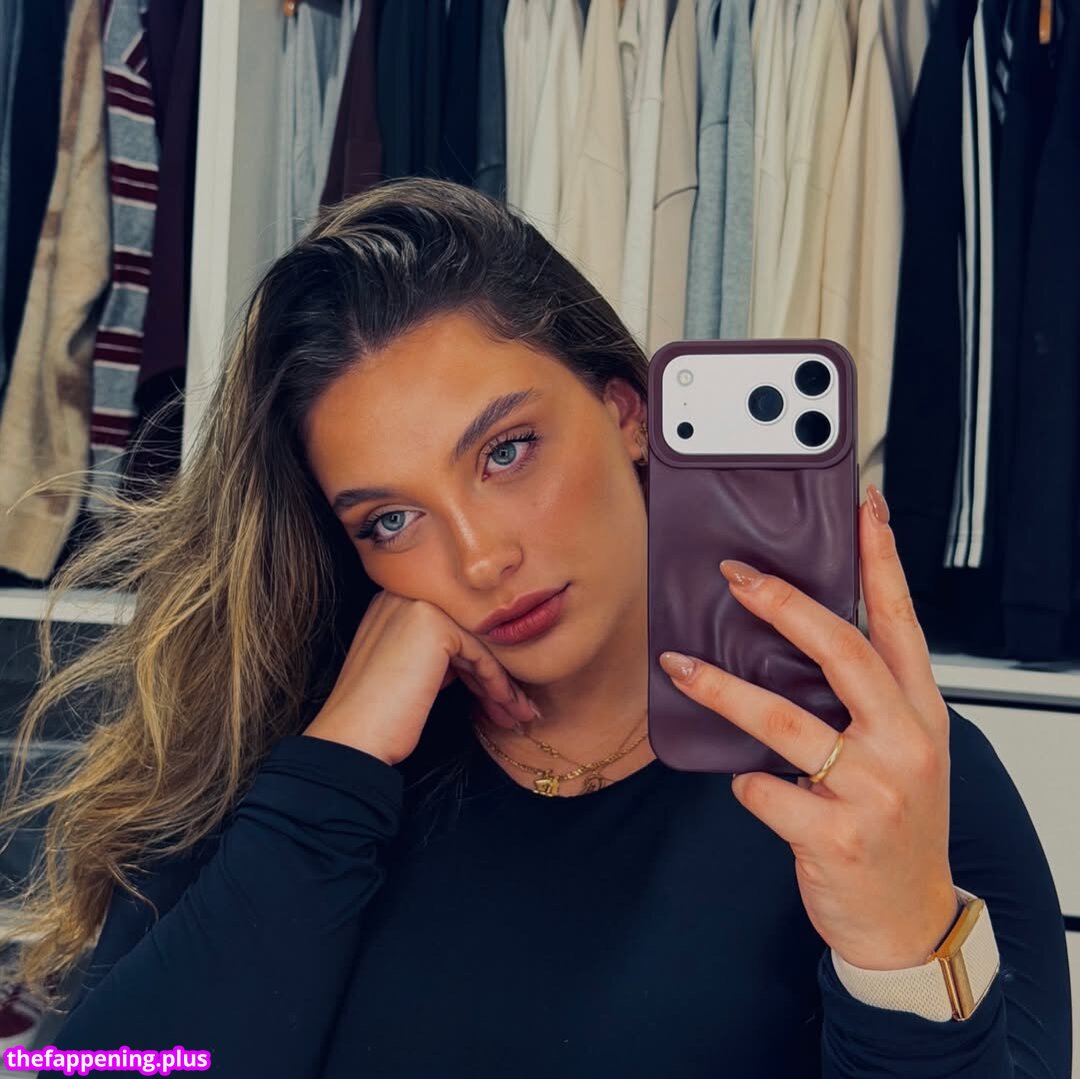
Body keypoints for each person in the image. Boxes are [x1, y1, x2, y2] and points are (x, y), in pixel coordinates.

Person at [0, 178, 1070, 1078]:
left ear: (627, 413)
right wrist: (333, 774)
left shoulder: (888, 783)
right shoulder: (286, 765)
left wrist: (899, 952)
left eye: (505, 451)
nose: (478, 559)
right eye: (390, 519)